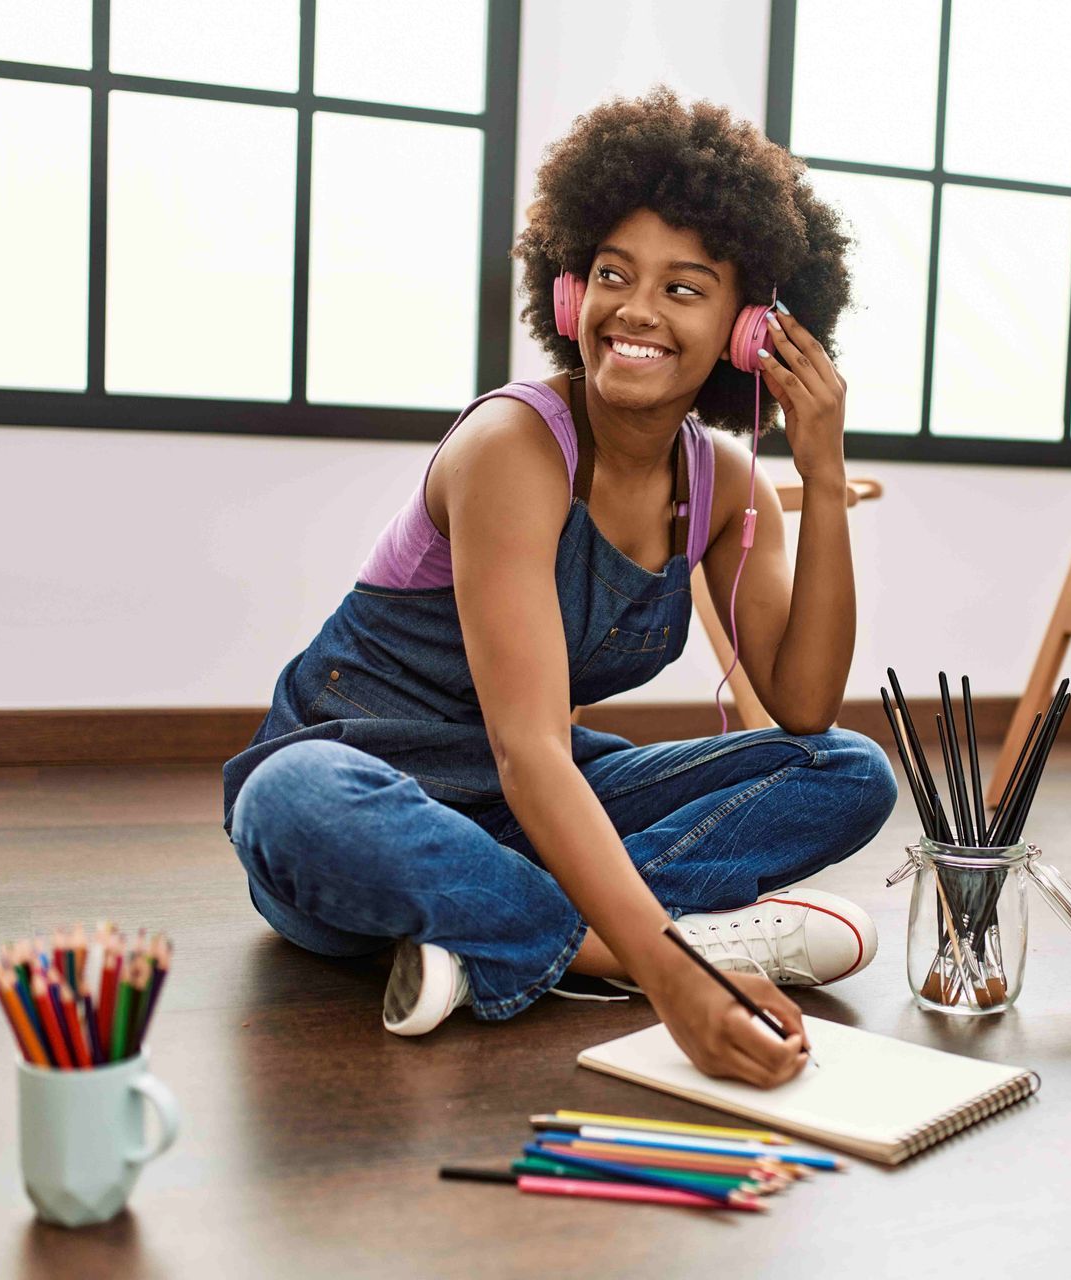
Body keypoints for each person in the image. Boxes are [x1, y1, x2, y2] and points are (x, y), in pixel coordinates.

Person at [223, 87, 897, 1088]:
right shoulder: (513, 445)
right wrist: (675, 980)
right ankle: (633, 948)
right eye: (615, 275)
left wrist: (825, 473)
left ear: (748, 328)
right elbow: (526, 745)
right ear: (571, 290)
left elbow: (800, 705)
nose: (636, 309)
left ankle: (492, 932)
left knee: (848, 770)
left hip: (529, 803)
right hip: (373, 779)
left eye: (684, 288)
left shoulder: (728, 485)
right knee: (288, 798)